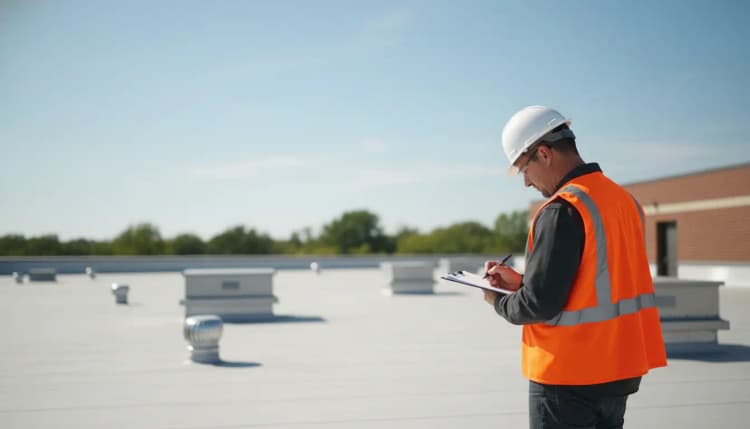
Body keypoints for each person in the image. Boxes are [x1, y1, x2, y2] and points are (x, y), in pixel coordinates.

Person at [483, 106, 667, 429]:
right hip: (617, 374)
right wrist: (525, 280)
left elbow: (539, 303)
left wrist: (497, 298)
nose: (526, 182)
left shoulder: (563, 210)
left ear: (544, 153)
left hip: (567, 379)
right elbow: (594, 279)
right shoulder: (624, 202)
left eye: (524, 168)